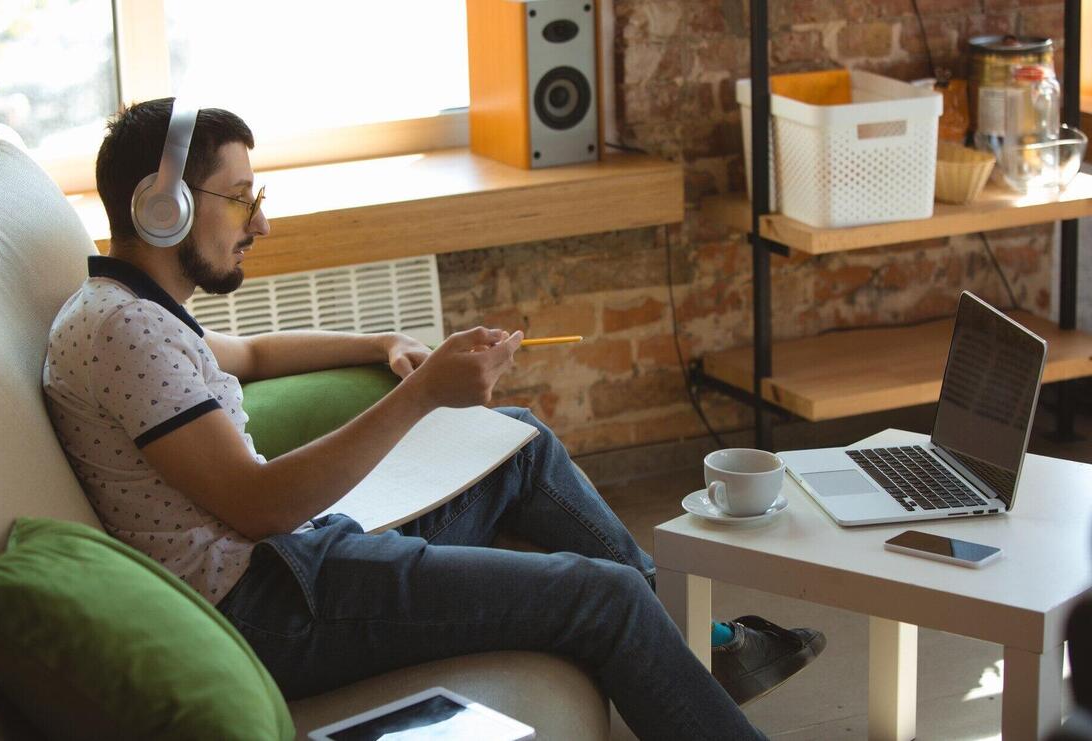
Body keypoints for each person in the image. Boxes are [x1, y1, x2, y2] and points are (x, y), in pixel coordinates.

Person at [42, 98, 826, 740]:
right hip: (275, 608)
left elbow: (246, 354)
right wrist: (422, 397)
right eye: (241, 196)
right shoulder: (125, 332)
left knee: (515, 443)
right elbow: (260, 503)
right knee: (603, 595)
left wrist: (383, 341)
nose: (260, 221)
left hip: (299, 564)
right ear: (163, 203)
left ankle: (693, 647)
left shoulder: (135, 308)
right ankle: (676, 638)